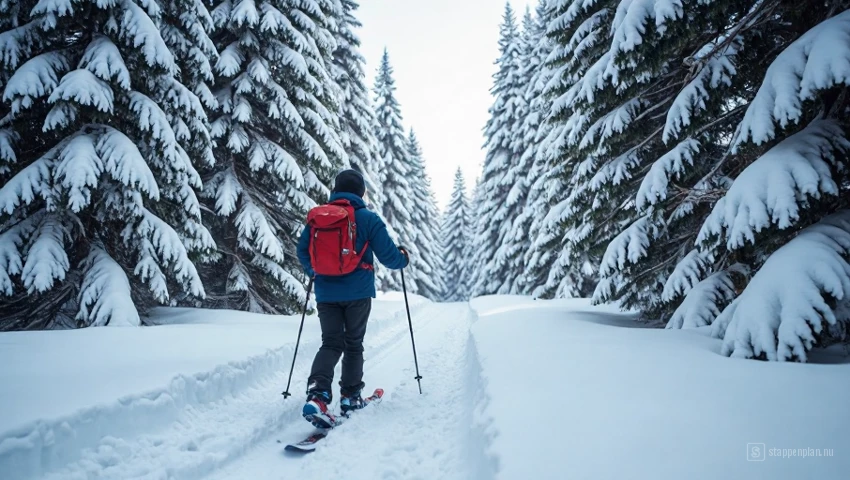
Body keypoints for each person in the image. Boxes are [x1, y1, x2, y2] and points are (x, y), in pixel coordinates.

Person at [296, 168, 409, 428]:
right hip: (357, 293)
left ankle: (318, 394)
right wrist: (403, 257)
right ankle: (350, 397)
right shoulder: (368, 218)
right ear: (360, 192)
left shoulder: (319, 218)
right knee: (353, 343)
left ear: (336, 190)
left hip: (325, 292)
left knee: (331, 343)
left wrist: (315, 272)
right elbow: (390, 257)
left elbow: (303, 250)